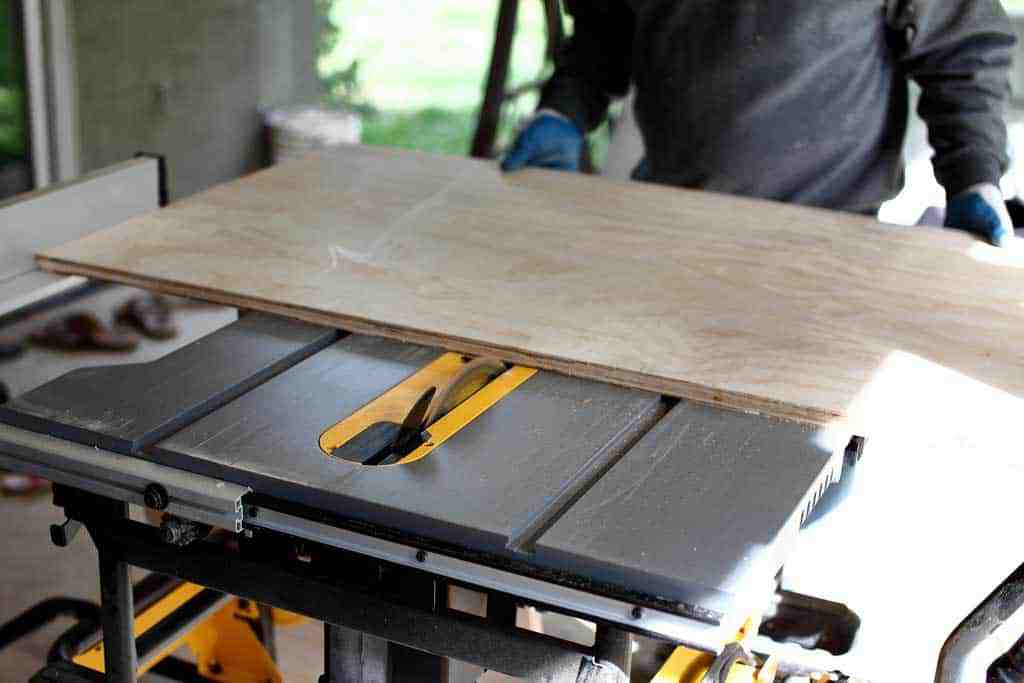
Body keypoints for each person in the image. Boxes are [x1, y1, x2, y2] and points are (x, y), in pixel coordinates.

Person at [501, 0, 1017, 246]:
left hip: (832, 240)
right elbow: (603, 34)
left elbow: (962, 53)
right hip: (668, 222)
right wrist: (562, 111)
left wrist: (974, 175)